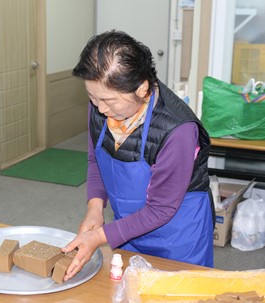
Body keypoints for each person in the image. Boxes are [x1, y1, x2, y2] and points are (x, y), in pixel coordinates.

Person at [62, 30, 215, 282]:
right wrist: (95, 207)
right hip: (127, 229)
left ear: (142, 88)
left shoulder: (177, 129)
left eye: (109, 100)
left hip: (177, 234)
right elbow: (96, 160)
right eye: (91, 97)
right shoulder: (101, 104)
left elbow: (161, 209)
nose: (100, 108)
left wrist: (100, 236)